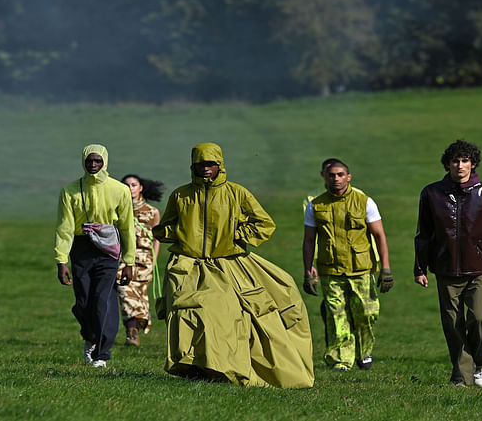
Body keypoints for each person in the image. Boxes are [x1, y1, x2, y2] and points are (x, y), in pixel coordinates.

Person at [153, 142, 314, 388]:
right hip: (188, 265)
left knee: (224, 313)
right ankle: (191, 365)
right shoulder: (180, 195)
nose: (205, 168)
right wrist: (167, 231)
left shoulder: (237, 193)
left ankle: (221, 367)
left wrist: (237, 235)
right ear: (193, 166)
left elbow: (264, 224)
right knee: (184, 312)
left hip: (228, 264)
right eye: (200, 164)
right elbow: (168, 227)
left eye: (210, 164)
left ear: (220, 165)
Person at [413, 139, 482, 387]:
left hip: (478, 270)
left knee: (479, 319)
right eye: (455, 160)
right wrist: (420, 268)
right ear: (448, 164)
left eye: (465, 160)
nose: (460, 165)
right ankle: (461, 376)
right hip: (445, 270)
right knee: (452, 324)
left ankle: (479, 364)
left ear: (472, 163)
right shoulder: (431, 193)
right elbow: (423, 234)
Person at [302, 159, 393, 371]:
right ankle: (341, 360)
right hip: (330, 270)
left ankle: (364, 352)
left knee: (367, 313)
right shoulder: (315, 205)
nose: (336, 179)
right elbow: (308, 241)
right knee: (336, 315)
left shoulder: (364, 202)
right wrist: (308, 271)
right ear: (325, 177)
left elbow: (379, 235)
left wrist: (386, 268)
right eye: (332, 175)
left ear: (348, 177)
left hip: (361, 269)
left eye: (341, 174)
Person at [55, 144, 136, 368]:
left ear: (105, 162)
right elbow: (65, 228)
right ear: (83, 161)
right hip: (81, 248)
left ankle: (101, 353)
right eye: (89, 161)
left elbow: (128, 226)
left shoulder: (120, 190)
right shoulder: (70, 191)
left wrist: (129, 261)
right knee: (82, 303)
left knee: (101, 301)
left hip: (109, 248)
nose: (93, 165)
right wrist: (61, 260)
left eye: (97, 161)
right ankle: (90, 336)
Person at [117, 174, 163, 346]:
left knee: (141, 299)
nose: (130, 188)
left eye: (133, 185)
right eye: (126, 185)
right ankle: (131, 332)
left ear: (140, 188)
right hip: (123, 260)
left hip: (145, 260)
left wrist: (154, 260)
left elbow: (157, 239)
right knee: (124, 292)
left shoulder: (153, 212)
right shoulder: (118, 210)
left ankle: (136, 327)